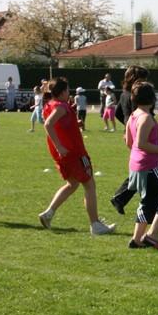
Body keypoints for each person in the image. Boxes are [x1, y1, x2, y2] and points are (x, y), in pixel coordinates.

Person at [38, 77, 115, 236]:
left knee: (72, 184)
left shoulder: (51, 105)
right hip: (74, 153)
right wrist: (60, 145)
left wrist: (74, 125)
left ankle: (48, 213)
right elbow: (48, 124)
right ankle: (95, 224)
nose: (69, 93)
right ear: (63, 92)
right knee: (89, 185)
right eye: (67, 90)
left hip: (64, 155)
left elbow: (57, 125)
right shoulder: (61, 107)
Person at [125, 81, 158, 250]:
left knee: (149, 200)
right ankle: (152, 235)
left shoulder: (133, 116)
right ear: (152, 98)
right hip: (151, 166)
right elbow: (141, 143)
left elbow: (129, 142)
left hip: (136, 165)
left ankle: (137, 239)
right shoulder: (146, 118)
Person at [110, 65, 150, 215]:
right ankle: (150, 200)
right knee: (147, 166)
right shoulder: (136, 96)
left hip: (132, 133)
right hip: (139, 133)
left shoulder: (124, 94)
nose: (145, 82)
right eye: (143, 79)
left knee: (142, 167)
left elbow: (118, 113)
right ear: (134, 79)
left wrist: (127, 127)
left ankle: (121, 198)